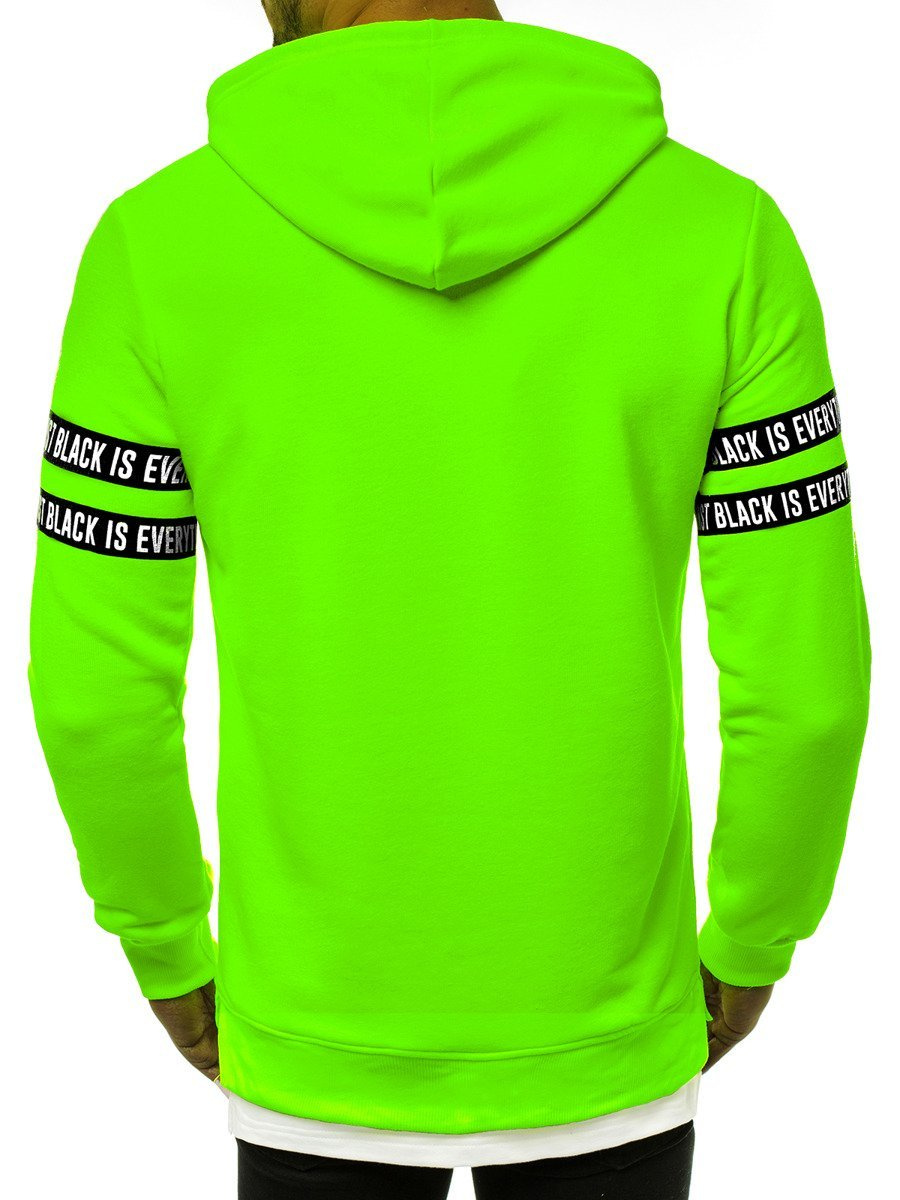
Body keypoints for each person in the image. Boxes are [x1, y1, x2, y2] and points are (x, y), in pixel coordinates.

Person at [27, 1, 871, 1197]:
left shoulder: (155, 248)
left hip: (312, 1037)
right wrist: (752, 937)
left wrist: (166, 943)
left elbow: (97, 695)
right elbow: (806, 686)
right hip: (611, 1032)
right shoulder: (720, 232)